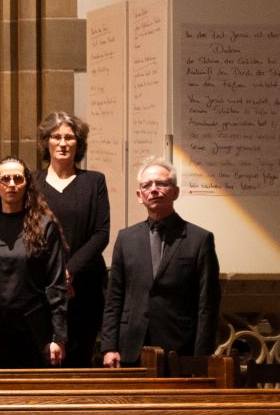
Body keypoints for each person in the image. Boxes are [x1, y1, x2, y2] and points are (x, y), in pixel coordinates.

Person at [101, 157, 220, 367]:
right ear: (140, 196)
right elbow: (114, 297)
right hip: (131, 347)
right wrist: (110, 346)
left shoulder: (199, 240)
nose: (153, 189)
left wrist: (201, 357)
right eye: (147, 185)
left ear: (175, 192)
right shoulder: (126, 238)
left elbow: (207, 304)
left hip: (180, 348)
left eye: (161, 184)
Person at [0, 157, 68, 369]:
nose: (12, 184)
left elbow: (56, 286)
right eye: (5, 179)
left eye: (18, 179)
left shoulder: (44, 227)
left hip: (34, 333)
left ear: (26, 184)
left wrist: (58, 337)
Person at [35, 112, 110, 367]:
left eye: (69, 137)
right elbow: (28, 232)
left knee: (79, 361)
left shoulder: (94, 182)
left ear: (78, 144)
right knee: (43, 362)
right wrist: (55, 277)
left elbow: (101, 233)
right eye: (56, 137)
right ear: (46, 142)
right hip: (41, 289)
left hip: (85, 287)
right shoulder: (33, 183)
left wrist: (70, 272)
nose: (63, 143)